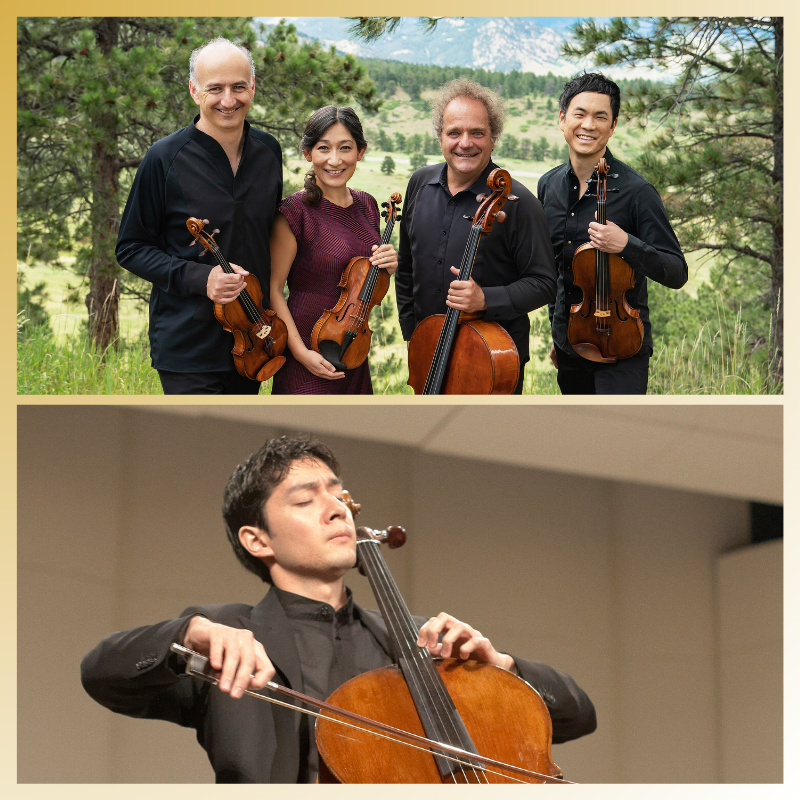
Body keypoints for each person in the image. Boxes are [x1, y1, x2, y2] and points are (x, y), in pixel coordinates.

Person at [81, 436, 597, 783]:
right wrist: (189, 632)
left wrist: (502, 670)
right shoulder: (229, 637)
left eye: (339, 494)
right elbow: (102, 673)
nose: (337, 509)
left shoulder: (421, 646)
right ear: (258, 540)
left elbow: (578, 715)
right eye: (305, 501)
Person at [115, 37, 283, 395]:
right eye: (215, 88)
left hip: (254, 341)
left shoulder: (269, 152)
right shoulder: (163, 158)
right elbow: (130, 248)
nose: (229, 100)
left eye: (239, 87)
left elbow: (269, 236)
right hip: (187, 346)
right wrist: (201, 277)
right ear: (194, 90)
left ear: (253, 87)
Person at [395, 78, 557, 394]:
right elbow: (406, 269)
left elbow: (544, 283)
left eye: (477, 133)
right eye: (454, 132)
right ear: (440, 137)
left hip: (492, 365)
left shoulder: (518, 203)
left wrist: (485, 299)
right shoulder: (419, 184)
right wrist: (411, 335)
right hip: (427, 353)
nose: (465, 143)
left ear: (493, 138)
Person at [538, 72, 688, 395]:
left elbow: (677, 271)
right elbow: (555, 271)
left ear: (613, 125)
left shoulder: (637, 192)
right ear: (562, 119)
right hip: (571, 347)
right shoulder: (548, 186)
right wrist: (559, 333)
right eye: (579, 114)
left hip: (623, 349)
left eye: (600, 117)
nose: (588, 125)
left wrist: (626, 245)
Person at [269, 107, 397, 394]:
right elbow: (273, 289)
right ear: (307, 153)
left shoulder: (367, 205)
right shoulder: (294, 211)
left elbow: (363, 286)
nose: (335, 160)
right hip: (306, 350)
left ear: (360, 152)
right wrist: (301, 353)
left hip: (351, 346)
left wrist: (388, 266)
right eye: (324, 148)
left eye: (345, 148)